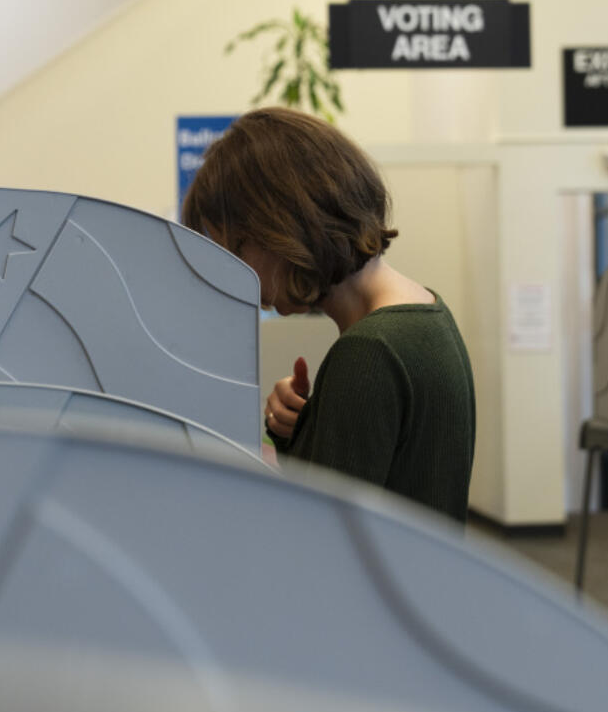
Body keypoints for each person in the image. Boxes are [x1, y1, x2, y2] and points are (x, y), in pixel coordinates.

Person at [181, 107, 475, 523]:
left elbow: (324, 537)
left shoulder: (370, 352)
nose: (238, 272)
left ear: (282, 226)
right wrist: (304, 430)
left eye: (237, 249)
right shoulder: (427, 314)